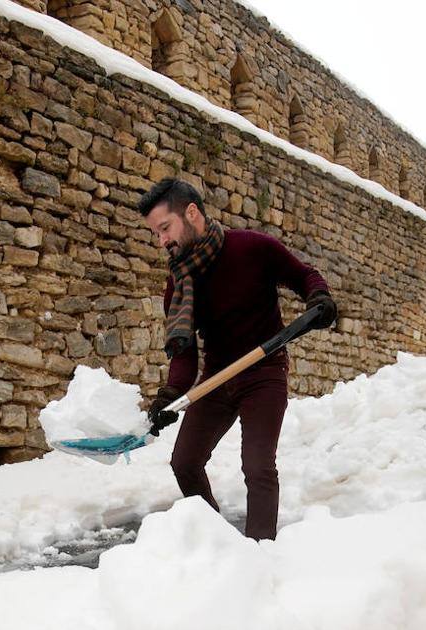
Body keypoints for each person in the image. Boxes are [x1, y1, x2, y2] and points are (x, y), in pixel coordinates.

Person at [136, 177, 336, 541]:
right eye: (156, 234)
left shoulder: (252, 248)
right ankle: (219, 542)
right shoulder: (180, 283)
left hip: (264, 370)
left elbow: (303, 275)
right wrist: (173, 394)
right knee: (184, 462)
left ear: (192, 213)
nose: (162, 241)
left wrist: (318, 296)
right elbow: (185, 356)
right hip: (217, 375)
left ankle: (262, 551)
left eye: (165, 228)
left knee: (258, 466)